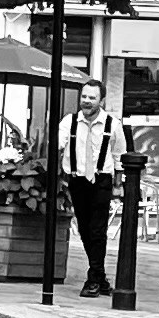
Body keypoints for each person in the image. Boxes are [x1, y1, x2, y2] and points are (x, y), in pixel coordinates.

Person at [63, 79, 120, 284]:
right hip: (77, 180)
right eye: (84, 96)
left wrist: (118, 186)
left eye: (92, 98)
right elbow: (57, 146)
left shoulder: (112, 124)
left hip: (101, 180)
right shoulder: (69, 122)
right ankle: (100, 274)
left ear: (101, 100)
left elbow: (118, 155)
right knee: (84, 229)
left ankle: (93, 278)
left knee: (97, 229)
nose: (86, 101)